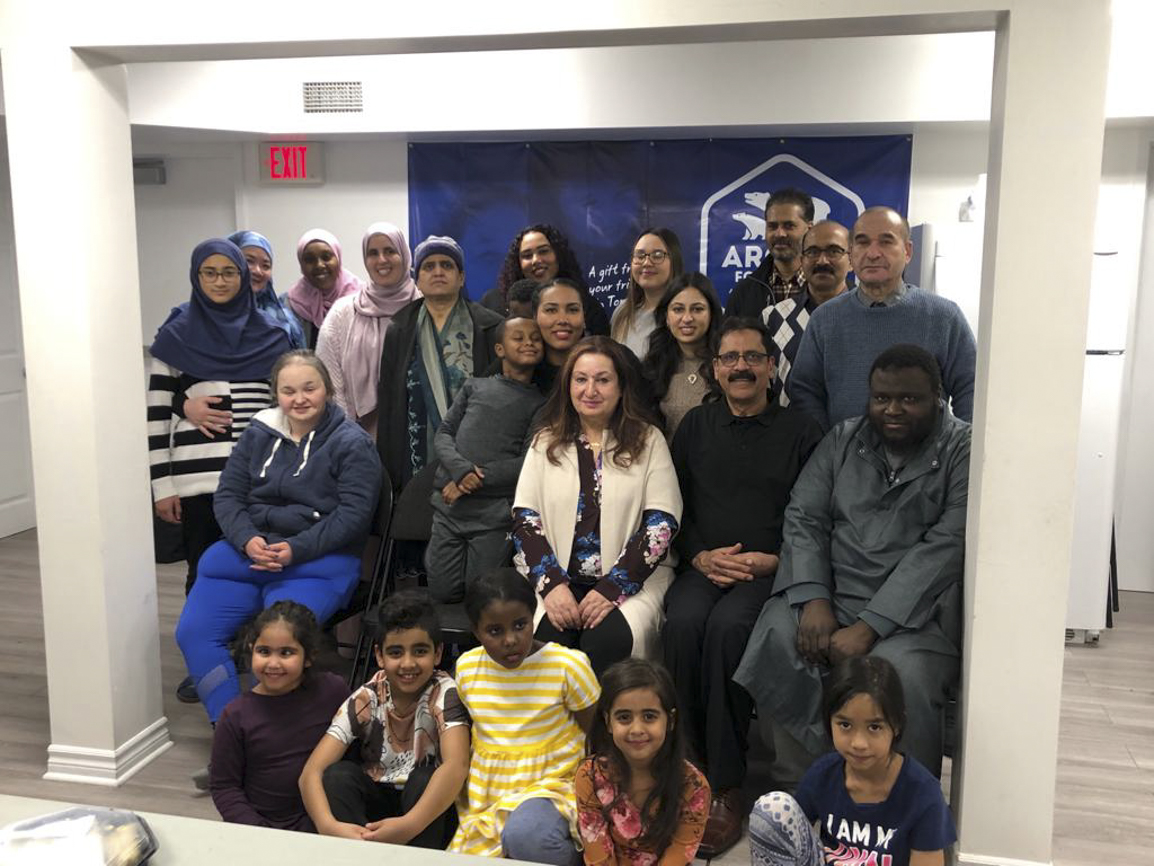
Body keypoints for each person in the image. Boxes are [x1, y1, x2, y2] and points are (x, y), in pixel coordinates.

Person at [735, 345, 970, 779]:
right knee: (778, 637)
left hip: (914, 616)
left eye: (909, 399)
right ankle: (804, 784)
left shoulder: (962, 449)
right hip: (831, 590)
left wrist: (870, 627)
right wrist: (813, 599)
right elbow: (804, 516)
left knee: (901, 675)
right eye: (881, 398)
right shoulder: (844, 438)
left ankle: (900, 800)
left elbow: (945, 547)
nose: (892, 409)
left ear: (938, 398)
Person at [663, 318, 824, 857]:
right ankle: (685, 772)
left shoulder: (802, 432)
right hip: (703, 565)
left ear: (771, 366)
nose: (741, 367)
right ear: (715, 369)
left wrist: (773, 561)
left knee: (731, 631)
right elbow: (674, 507)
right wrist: (699, 555)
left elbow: (814, 517)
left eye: (752, 357)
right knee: (683, 623)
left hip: (770, 571)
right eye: (729, 358)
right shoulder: (694, 428)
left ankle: (727, 787)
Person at [175, 350, 381, 722]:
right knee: (194, 634)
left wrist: (295, 549)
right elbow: (228, 496)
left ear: (327, 389)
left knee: (277, 644)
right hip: (246, 557)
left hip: (316, 562)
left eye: (309, 388)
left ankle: (269, 736)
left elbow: (354, 516)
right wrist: (246, 539)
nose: (299, 399)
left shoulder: (352, 443)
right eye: (289, 391)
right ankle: (228, 727)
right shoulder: (258, 432)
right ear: (277, 394)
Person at [148, 238, 293, 700]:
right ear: (196, 277)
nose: (219, 281)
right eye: (209, 272)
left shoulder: (272, 334)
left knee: (258, 567)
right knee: (204, 568)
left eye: (228, 272)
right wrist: (161, 485)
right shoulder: (174, 337)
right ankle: (206, 660)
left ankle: (256, 657)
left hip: (260, 480)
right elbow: (153, 412)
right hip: (198, 479)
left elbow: (287, 407)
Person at [513, 337, 681, 675]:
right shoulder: (546, 441)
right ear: (568, 385)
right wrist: (552, 585)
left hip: (630, 582)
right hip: (558, 578)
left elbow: (660, 525)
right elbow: (525, 520)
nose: (590, 390)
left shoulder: (649, 440)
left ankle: (604, 729)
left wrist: (612, 588)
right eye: (581, 379)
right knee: (549, 641)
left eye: (602, 380)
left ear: (621, 388)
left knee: (607, 642)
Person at [450, 568, 601, 864]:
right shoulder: (467, 668)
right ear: (476, 630)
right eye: (495, 631)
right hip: (489, 793)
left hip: (554, 784)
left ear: (534, 616)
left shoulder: (568, 666)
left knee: (527, 835)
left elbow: (595, 736)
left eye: (520, 625)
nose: (510, 640)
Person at [299, 591, 470, 848]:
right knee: (337, 776)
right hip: (377, 801)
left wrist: (409, 825)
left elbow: (456, 766)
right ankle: (353, 855)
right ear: (380, 656)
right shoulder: (367, 697)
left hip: (425, 813)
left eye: (420, 651)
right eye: (396, 652)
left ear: (437, 654)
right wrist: (328, 826)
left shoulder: (445, 692)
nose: (408, 663)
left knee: (425, 777)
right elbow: (311, 773)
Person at [748, 656, 956, 866]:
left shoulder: (923, 794)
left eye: (874, 727)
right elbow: (793, 838)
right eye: (845, 725)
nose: (859, 743)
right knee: (771, 810)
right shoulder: (823, 774)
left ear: (897, 724)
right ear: (829, 721)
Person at [786, 207, 977, 430]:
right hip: (844, 461)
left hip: (926, 462)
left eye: (886, 242)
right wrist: (830, 449)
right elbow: (804, 390)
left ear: (907, 251)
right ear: (851, 252)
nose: (873, 253)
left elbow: (972, 388)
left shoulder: (944, 317)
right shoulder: (825, 319)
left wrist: (959, 452)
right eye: (863, 242)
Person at [426, 317, 547, 603]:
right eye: (518, 337)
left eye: (535, 338)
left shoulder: (541, 403)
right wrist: (460, 471)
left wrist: (474, 478)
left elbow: (529, 462)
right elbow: (443, 434)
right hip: (449, 509)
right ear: (499, 349)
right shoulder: (474, 387)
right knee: (442, 591)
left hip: (494, 516)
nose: (529, 342)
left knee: (482, 595)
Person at [376, 235, 503, 492]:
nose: (438, 272)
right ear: (417, 279)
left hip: (474, 450)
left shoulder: (490, 327)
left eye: (447, 265)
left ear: (462, 277)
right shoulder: (399, 329)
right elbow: (389, 402)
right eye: (428, 266)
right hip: (413, 449)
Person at [210, 601, 350, 830]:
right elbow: (225, 788)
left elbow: (352, 755)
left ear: (309, 657)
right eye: (264, 651)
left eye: (287, 653)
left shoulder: (334, 690)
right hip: (265, 827)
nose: (273, 663)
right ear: (251, 649)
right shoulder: (236, 715)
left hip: (327, 820)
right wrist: (259, 832)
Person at [576, 658, 710, 866]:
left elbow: (679, 855)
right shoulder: (589, 776)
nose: (637, 729)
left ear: (670, 721)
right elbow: (599, 857)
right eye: (624, 717)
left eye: (649, 716)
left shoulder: (694, 786)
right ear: (608, 722)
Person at [316, 222, 421, 438]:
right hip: (355, 436)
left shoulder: (424, 307)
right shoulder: (343, 312)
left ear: (404, 254)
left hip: (415, 435)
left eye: (390, 251)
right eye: (373, 253)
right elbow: (327, 377)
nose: (381, 260)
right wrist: (349, 435)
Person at [763, 219, 851, 406]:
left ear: (852, 260)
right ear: (801, 260)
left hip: (851, 434)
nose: (822, 260)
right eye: (812, 252)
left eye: (834, 251)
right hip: (787, 432)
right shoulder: (773, 317)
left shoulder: (868, 317)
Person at [482, 223, 611, 336]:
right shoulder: (494, 302)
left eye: (543, 251)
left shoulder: (586, 304)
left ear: (558, 255)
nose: (536, 260)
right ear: (518, 264)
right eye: (527, 255)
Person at [640, 272, 723, 440]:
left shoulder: (727, 364)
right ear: (666, 317)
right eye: (678, 309)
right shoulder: (651, 367)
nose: (687, 318)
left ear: (712, 314)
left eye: (697, 309)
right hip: (663, 464)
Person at [724, 188, 813, 320]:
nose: (779, 234)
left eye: (789, 226)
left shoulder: (832, 288)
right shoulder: (743, 293)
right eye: (772, 226)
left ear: (809, 230)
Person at [611, 228, 684, 358]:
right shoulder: (622, 313)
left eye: (657, 256)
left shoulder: (686, 315)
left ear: (674, 260)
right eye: (639, 256)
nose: (646, 263)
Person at [286, 229, 365, 349]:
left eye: (326, 257)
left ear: (338, 258)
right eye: (309, 260)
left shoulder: (362, 299)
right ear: (301, 265)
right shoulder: (289, 306)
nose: (319, 265)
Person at [229, 229, 307, 349]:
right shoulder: (207, 315)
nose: (257, 271)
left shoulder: (285, 321)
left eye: (265, 266)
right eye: (249, 261)